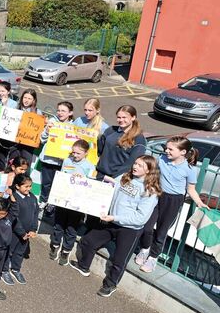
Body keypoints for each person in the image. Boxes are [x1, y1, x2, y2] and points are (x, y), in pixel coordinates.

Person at [70, 156, 161, 297]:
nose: (135, 166)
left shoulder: (150, 191)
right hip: (111, 222)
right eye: (135, 163)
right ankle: (83, 266)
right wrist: (83, 177)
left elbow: (140, 218)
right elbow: (107, 185)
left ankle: (110, 285)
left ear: (149, 170)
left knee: (119, 260)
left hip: (130, 230)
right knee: (88, 241)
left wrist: (115, 217)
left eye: (141, 166)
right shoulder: (125, 177)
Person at [135, 136, 207, 273]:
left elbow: (190, 189)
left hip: (173, 201)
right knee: (147, 226)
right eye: (166, 148)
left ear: (182, 152)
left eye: (170, 149)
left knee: (161, 232)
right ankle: (144, 249)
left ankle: (153, 258)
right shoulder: (162, 159)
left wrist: (199, 202)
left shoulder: (190, 169)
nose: (166, 151)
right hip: (156, 196)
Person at [49, 140, 97, 265]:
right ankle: (55, 245)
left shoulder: (90, 167)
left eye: (78, 153)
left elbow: (92, 184)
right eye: (73, 152)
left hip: (77, 203)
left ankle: (66, 251)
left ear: (86, 153)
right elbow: (61, 176)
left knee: (71, 228)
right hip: (63, 199)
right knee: (58, 224)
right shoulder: (67, 161)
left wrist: (84, 179)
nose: (74, 155)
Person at [96, 105, 146, 180]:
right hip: (99, 174)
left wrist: (114, 178)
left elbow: (131, 163)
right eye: (119, 117)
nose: (121, 120)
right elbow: (99, 150)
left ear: (133, 117)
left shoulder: (139, 139)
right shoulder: (110, 130)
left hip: (116, 179)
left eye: (124, 117)